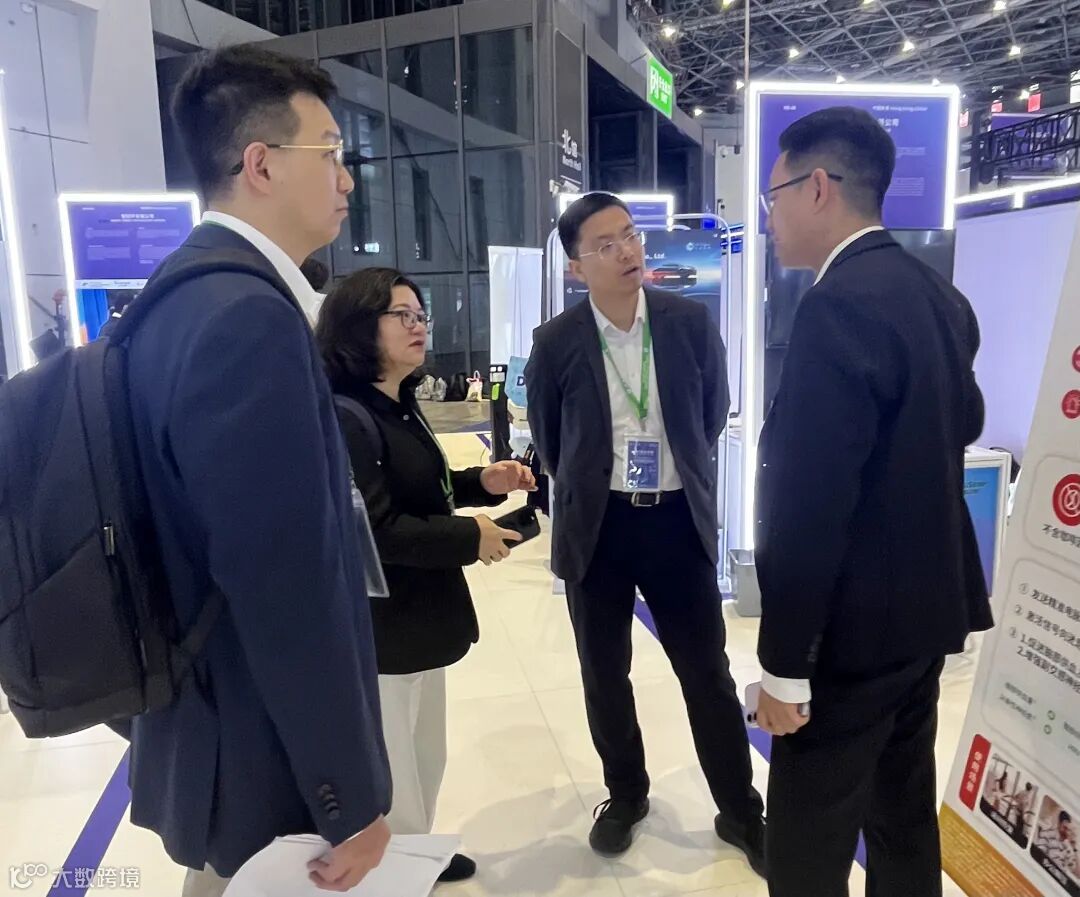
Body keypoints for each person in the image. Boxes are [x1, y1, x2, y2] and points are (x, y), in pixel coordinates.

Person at [123, 45, 391, 897]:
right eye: (331, 151)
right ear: (261, 165)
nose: (346, 179)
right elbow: (283, 584)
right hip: (262, 752)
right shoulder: (248, 319)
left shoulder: (178, 293)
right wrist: (348, 795)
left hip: (206, 719)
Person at [753, 106, 991, 897]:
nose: (771, 216)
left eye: (774, 196)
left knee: (806, 846)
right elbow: (966, 420)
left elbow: (811, 504)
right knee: (902, 818)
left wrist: (785, 667)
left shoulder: (837, 305)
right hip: (924, 616)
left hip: (849, 636)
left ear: (817, 187)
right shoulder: (938, 295)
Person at [525, 192, 766, 872]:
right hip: (598, 527)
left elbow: (711, 412)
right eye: (606, 244)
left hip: (675, 521)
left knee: (707, 672)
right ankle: (627, 795)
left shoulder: (688, 322)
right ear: (577, 267)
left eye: (630, 235)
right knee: (605, 673)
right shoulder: (556, 342)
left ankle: (740, 809)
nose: (627, 251)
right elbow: (550, 439)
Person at [315, 267, 535, 882]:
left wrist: (482, 483)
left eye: (421, 315)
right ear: (361, 326)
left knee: (423, 754)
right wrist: (470, 538)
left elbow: (421, 491)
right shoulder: (348, 416)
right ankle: (395, 872)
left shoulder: (397, 404)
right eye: (402, 316)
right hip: (382, 627)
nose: (419, 326)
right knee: (394, 768)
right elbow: (376, 530)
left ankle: (415, 855)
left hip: (419, 616)